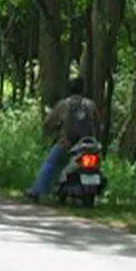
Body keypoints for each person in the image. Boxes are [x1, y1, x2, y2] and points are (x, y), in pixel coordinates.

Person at [25, 75, 100, 203]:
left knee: (50, 163)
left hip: (67, 144)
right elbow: (98, 123)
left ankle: (37, 190)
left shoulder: (64, 104)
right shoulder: (91, 105)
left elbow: (48, 122)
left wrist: (52, 129)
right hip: (88, 145)